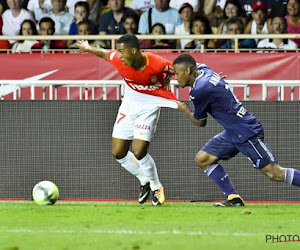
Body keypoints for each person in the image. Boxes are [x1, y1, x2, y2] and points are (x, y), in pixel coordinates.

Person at [173, 53, 300, 207]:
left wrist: (185, 109)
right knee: (202, 159)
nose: (175, 77)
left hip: (246, 131)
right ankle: (233, 197)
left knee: (274, 172)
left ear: (187, 71)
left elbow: (200, 123)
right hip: (233, 131)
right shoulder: (204, 69)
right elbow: (200, 69)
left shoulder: (199, 90)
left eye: (176, 73)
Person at [77, 33, 178, 206]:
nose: (120, 56)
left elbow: (183, 68)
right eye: (118, 52)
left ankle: (156, 186)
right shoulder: (118, 59)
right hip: (129, 104)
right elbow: (103, 53)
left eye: (122, 52)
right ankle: (144, 179)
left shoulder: (157, 63)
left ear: (134, 51)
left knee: (139, 151)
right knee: (118, 153)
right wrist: (87, 48)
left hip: (149, 105)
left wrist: (207, 77)